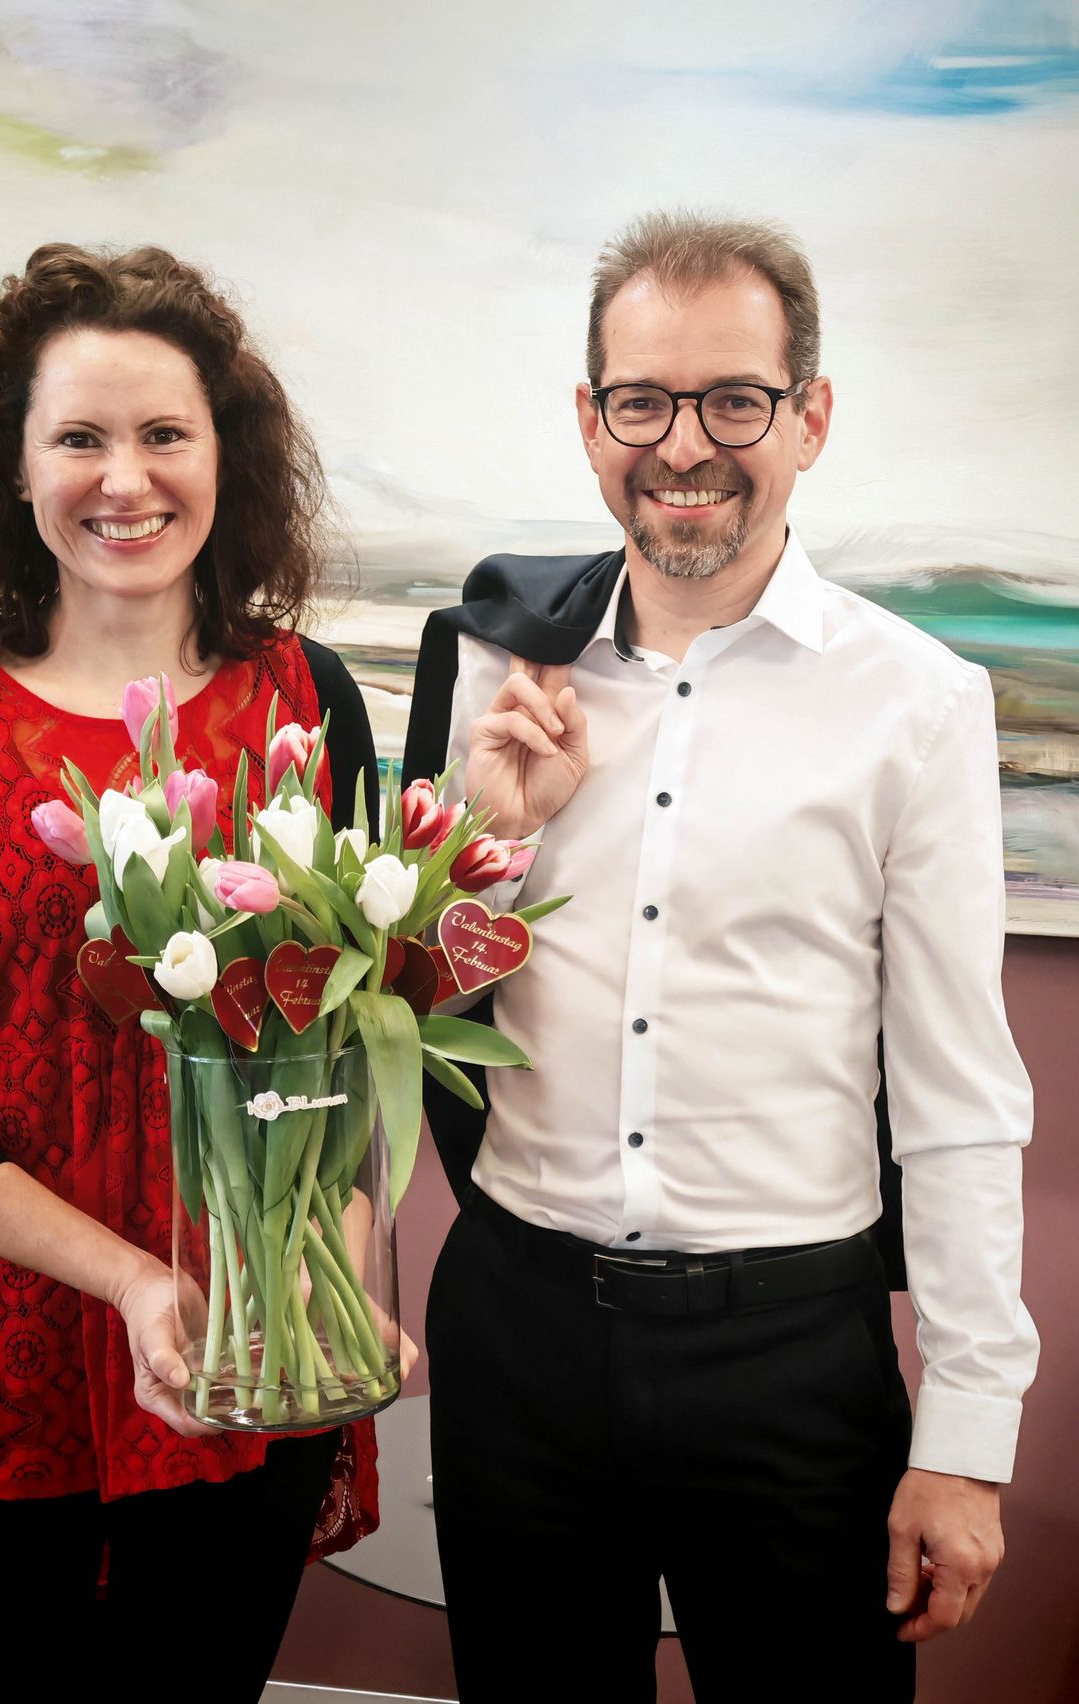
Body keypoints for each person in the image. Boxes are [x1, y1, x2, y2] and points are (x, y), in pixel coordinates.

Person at [403, 212, 1037, 1703]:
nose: (683, 446)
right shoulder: (493, 664)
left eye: (734, 400)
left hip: (790, 1363)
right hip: (516, 1336)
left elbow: (956, 1092)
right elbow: (413, 1008)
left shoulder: (921, 704)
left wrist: (966, 1437)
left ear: (809, 417)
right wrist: (490, 842)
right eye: (642, 401)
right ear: (590, 420)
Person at [0, 243, 388, 1701]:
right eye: (79, 438)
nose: (124, 479)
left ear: (224, 457)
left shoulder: (306, 698)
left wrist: (336, 1270)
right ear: (13, 470)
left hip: (247, 1360)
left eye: (164, 433)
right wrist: (131, 1283)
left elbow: (352, 1042)